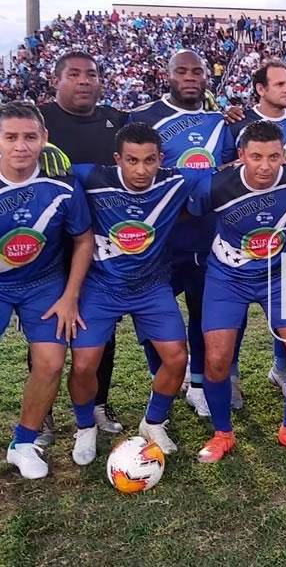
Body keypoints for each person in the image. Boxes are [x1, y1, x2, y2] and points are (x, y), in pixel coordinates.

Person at [68, 122, 210, 465]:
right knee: (84, 364)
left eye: (149, 160)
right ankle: (85, 427)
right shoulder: (90, 178)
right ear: (118, 159)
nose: (141, 169)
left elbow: (227, 175)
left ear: (160, 158)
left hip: (151, 287)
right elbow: (47, 170)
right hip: (101, 286)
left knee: (177, 359)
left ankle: (153, 421)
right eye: (132, 160)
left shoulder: (176, 180)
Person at [187, 121, 286, 462]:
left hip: (280, 274)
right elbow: (191, 214)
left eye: (274, 156)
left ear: (284, 155)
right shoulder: (215, 186)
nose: (265, 165)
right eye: (257, 156)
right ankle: (222, 433)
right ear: (241, 156)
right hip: (226, 276)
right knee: (216, 359)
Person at [131, 50, 237, 417]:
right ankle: (160, 376)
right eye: (182, 71)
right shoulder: (143, 117)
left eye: (197, 71)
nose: (190, 77)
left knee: (201, 311)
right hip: (159, 238)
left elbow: (228, 168)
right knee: (151, 314)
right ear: (169, 74)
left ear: (206, 77)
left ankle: (197, 383)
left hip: (207, 235)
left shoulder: (218, 121)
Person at [38, 50, 129, 437]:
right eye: (73, 74)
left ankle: (97, 405)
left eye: (90, 74)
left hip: (103, 243)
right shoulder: (39, 121)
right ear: (56, 80)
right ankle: (42, 412)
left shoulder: (118, 121)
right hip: (51, 244)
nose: (83, 80)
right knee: (47, 330)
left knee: (101, 328)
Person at [1, 102, 93, 479]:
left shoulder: (63, 185)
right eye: (10, 137)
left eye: (29, 137)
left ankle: (23, 443)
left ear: (44, 139)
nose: (20, 146)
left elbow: (84, 240)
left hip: (44, 284)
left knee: (52, 362)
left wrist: (70, 295)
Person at [228, 60, 286, 397]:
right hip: (241, 235)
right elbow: (223, 167)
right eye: (279, 84)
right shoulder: (237, 121)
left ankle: (280, 369)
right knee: (235, 312)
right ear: (260, 89)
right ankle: (232, 377)